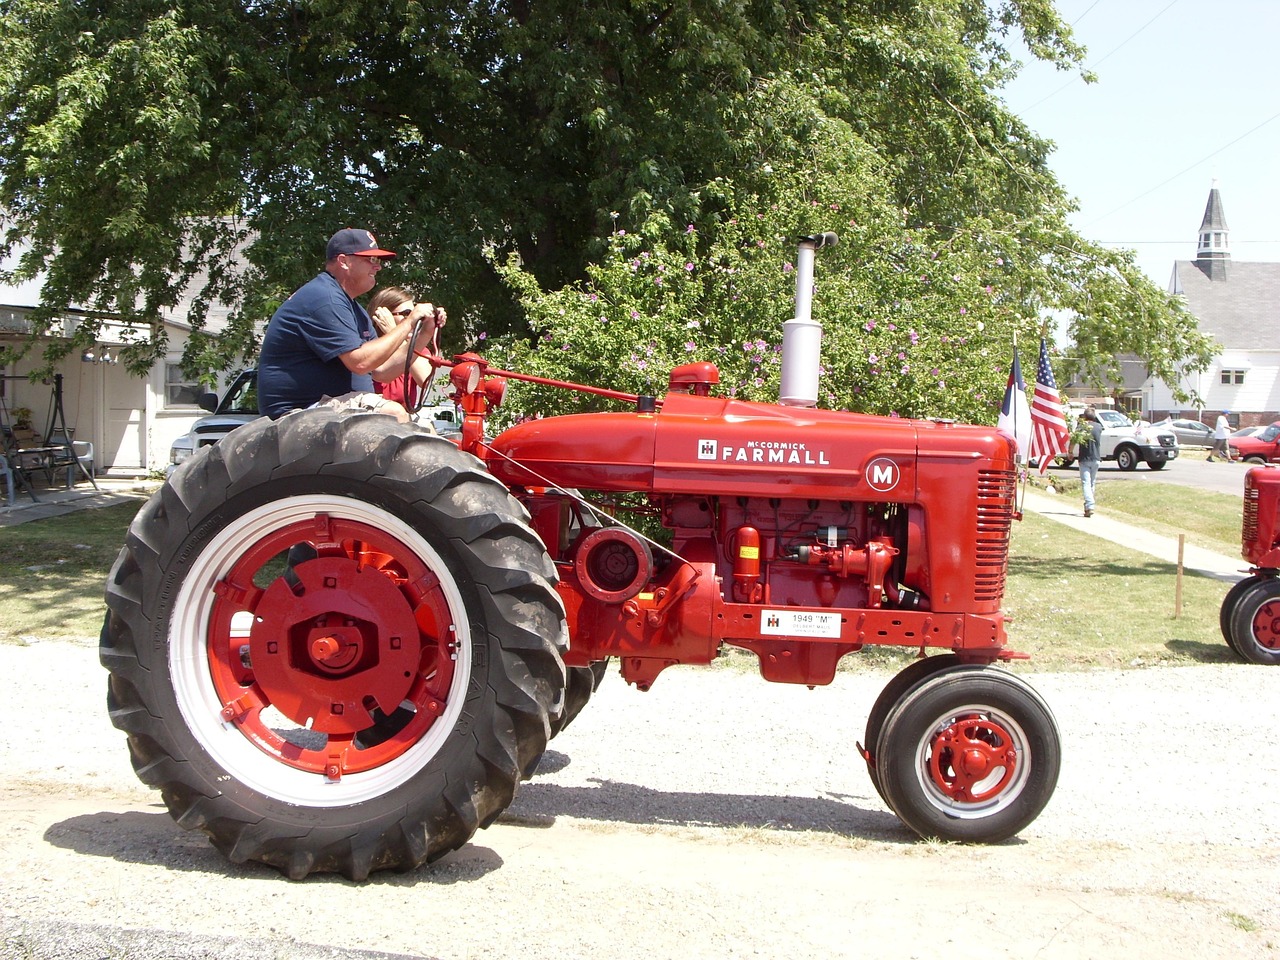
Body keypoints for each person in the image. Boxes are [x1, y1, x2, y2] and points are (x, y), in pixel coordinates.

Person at [256, 228, 435, 421]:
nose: (378, 267)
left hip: (329, 406)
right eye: (371, 260)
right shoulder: (325, 298)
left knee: (425, 427)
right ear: (344, 261)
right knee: (393, 413)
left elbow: (381, 372)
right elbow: (360, 362)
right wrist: (408, 323)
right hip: (301, 411)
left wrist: (424, 333)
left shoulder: (352, 307)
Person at [366, 285, 447, 413]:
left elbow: (425, 381)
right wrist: (395, 333)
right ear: (383, 315)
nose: (414, 318)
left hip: (403, 424)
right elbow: (379, 374)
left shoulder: (416, 346)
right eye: (407, 314)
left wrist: (425, 332)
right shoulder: (369, 345)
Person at [1077, 407, 1103, 518]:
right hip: (1096, 458)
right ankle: (1087, 508)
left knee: (1086, 483)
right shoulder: (1099, 427)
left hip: (1084, 458)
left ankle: (1090, 505)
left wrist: (1069, 451)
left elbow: (1074, 439)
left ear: (1085, 416)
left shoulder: (1081, 427)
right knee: (1091, 483)